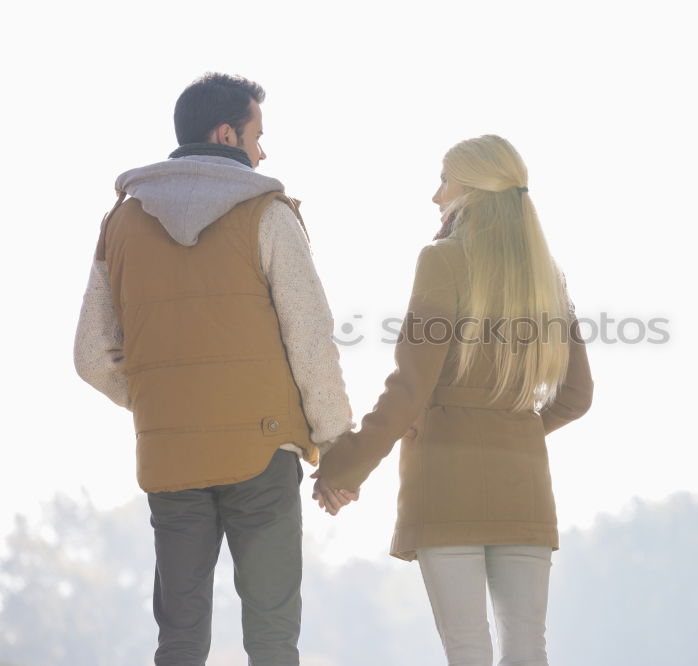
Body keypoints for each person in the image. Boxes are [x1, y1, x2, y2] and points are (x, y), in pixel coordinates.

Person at [73, 72, 355, 666]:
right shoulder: (268, 214)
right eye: (257, 134)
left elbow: (92, 356)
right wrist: (334, 442)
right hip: (263, 447)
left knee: (179, 637)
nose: (262, 150)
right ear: (226, 132)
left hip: (170, 454)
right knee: (273, 636)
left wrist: (170, 401)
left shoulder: (120, 224)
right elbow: (309, 338)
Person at [314, 134, 594, 665]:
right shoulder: (547, 278)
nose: (436, 196)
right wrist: (517, 427)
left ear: (469, 187)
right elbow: (577, 396)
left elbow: (410, 387)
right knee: (527, 647)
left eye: (444, 180)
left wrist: (344, 465)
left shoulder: (443, 260)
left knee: (467, 649)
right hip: (523, 482)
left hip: (446, 481)